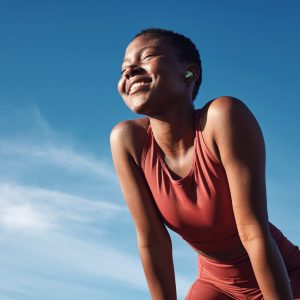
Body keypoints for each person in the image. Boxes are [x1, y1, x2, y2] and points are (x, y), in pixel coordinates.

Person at [110, 28, 300, 299]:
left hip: (284, 277)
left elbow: (253, 232)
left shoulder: (223, 117)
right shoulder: (127, 141)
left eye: (148, 56)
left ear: (189, 73)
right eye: (124, 69)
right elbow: (153, 242)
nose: (130, 72)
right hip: (216, 285)